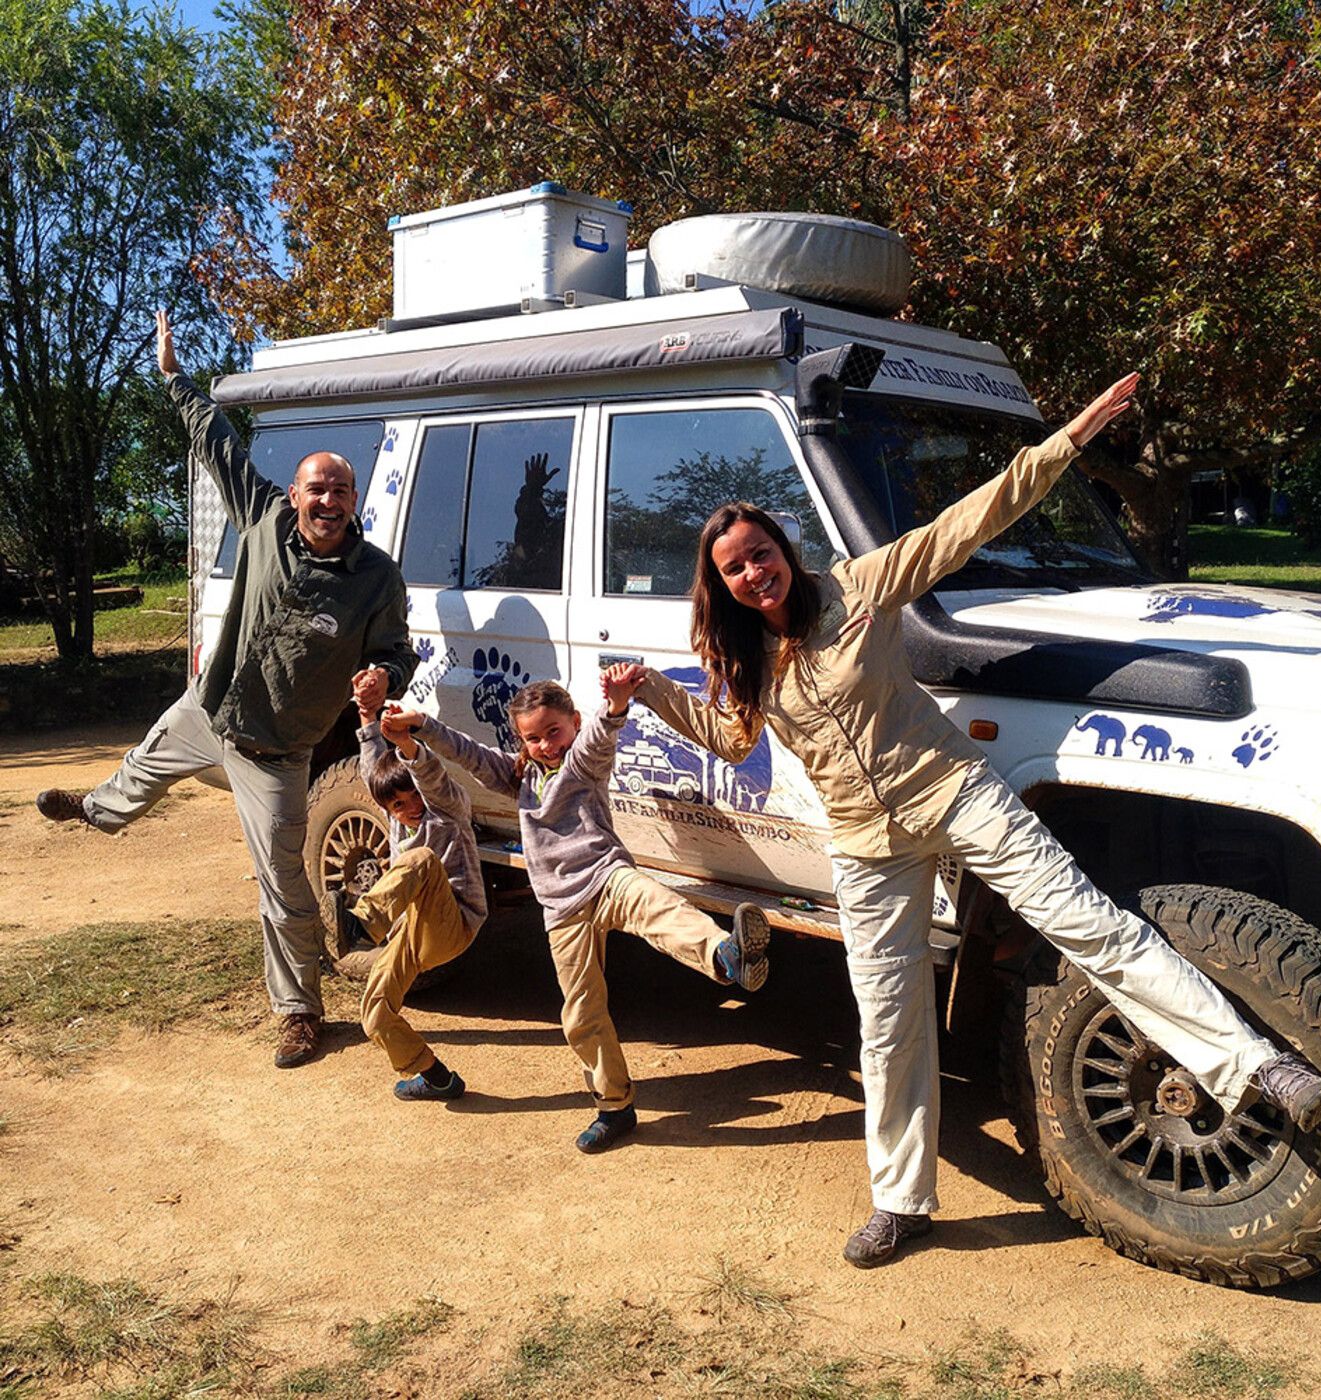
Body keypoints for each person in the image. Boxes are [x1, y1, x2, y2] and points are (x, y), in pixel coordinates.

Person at [628, 371, 1321, 1267]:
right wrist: (651, 692)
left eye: (760, 553)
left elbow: (971, 519)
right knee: (888, 1020)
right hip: (864, 842)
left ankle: (1255, 1065)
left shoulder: (858, 588)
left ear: (784, 546)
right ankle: (901, 1202)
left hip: (954, 791)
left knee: (1090, 925)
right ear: (721, 583)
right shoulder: (748, 658)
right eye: (734, 568)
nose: (752, 573)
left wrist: (1070, 439)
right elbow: (732, 741)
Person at [34, 311, 417, 1071]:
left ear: (355, 500)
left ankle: (300, 1013)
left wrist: (384, 677)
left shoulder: (377, 578)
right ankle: (96, 812)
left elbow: (394, 651)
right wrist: (175, 377)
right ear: (295, 494)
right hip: (211, 710)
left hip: (278, 751)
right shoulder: (264, 519)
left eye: (340, 490)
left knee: (284, 886)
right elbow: (216, 441)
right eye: (317, 488)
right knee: (144, 763)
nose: (328, 500)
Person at [384, 665, 772, 1152]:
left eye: (555, 732)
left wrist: (616, 706)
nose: (547, 745)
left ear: (574, 723)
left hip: (606, 877)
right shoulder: (518, 777)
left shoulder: (583, 763)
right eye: (534, 738)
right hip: (561, 908)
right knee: (582, 1014)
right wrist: (421, 725)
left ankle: (725, 954)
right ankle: (614, 1107)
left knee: (658, 906)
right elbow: (468, 753)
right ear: (522, 742)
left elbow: (600, 739)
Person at [317, 674, 491, 1101]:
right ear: (388, 809)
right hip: (410, 932)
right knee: (374, 1013)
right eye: (398, 805)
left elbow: (429, 777)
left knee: (421, 860)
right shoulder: (397, 819)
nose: (411, 808)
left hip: (453, 924)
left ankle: (361, 924)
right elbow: (372, 768)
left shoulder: (445, 810)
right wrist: (366, 714)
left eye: (413, 797)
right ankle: (435, 1077)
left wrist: (408, 746)